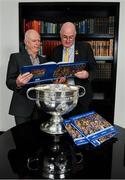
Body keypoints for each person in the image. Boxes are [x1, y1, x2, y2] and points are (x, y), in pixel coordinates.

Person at [51, 22, 97, 117]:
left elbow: (95, 70)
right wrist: (56, 79)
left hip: (81, 97)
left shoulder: (85, 48)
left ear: (75, 35)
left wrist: (87, 74)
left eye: (71, 37)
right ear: (60, 35)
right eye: (65, 37)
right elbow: (52, 74)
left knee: (79, 126)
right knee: (63, 126)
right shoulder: (56, 51)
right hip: (61, 98)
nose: (68, 40)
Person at [6, 29, 49, 126]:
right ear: (26, 42)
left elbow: (45, 81)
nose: (38, 43)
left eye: (39, 41)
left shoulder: (44, 60)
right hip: (22, 107)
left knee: (37, 137)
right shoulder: (16, 57)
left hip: (40, 107)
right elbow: (9, 81)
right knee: (23, 138)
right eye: (34, 41)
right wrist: (17, 83)